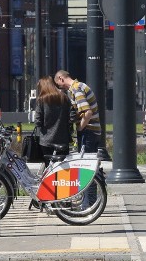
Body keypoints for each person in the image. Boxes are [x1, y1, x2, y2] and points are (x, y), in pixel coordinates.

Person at [54, 70, 101, 209]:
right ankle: (91, 202)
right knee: (91, 167)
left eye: (59, 84)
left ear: (61, 78)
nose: (61, 88)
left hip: (89, 132)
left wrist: (80, 129)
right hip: (93, 131)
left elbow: (87, 112)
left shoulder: (76, 89)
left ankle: (89, 204)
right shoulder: (80, 86)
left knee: (86, 168)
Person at [34, 76, 71, 159]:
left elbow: (37, 121)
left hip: (46, 140)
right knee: (63, 167)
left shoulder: (41, 100)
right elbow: (71, 117)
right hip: (63, 139)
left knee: (49, 166)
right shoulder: (64, 97)